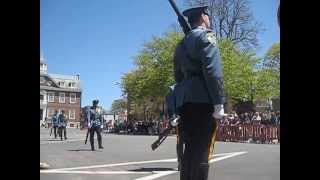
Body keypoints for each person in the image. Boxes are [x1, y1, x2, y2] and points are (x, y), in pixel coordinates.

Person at [173, 5, 225, 180]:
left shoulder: (180, 45)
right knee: (202, 152)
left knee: (189, 153)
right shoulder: (206, 36)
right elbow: (213, 71)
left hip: (186, 103)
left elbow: (178, 77)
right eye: (207, 15)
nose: (209, 18)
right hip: (204, 102)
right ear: (203, 17)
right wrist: (218, 103)